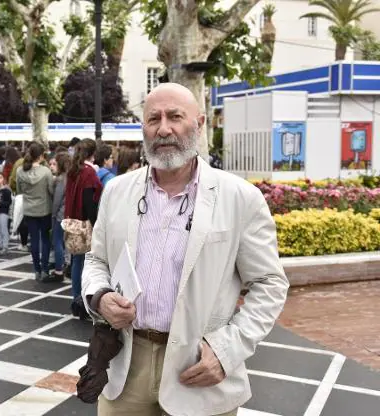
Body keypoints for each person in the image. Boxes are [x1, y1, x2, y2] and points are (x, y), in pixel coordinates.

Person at [81, 83, 289, 416]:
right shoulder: (117, 192)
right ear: (143, 127)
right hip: (126, 367)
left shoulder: (240, 198)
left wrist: (226, 351)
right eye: (153, 119)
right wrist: (100, 296)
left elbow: (270, 283)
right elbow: (96, 261)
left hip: (198, 370)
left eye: (175, 116)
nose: (164, 128)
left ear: (200, 123)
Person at [65, 138, 103, 316]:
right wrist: (96, 224)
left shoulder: (73, 170)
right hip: (85, 224)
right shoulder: (89, 173)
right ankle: (82, 303)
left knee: (76, 262)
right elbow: (90, 202)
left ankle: (75, 299)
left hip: (72, 222)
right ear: (93, 154)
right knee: (87, 265)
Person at [16, 142, 55, 281]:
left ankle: (36, 270)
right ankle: (45, 269)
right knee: (45, 240)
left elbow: (19, 190)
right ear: (41, 156)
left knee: (34, 240)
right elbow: (51, 190)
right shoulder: (46, 171)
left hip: (29, 209)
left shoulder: (20, 171)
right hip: (44, 209)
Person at [51, 152, 70, 279]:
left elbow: (57, 200)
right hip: (70, 214)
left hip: (60, 215)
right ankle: (67, 264)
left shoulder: (61, 179)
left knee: (57, 241)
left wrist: (53, 214)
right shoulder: (72, 177)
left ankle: (59, 269)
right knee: (67, 243)